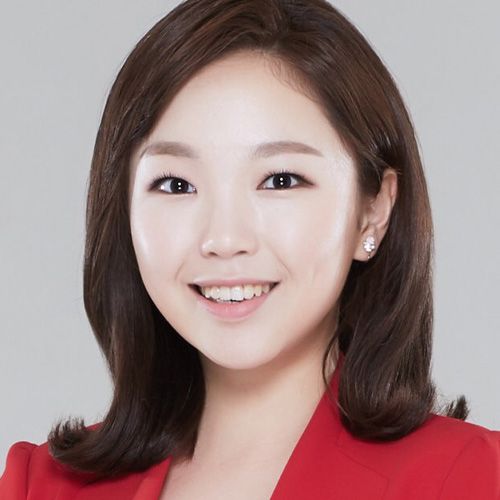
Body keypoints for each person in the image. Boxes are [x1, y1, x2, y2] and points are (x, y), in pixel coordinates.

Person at [1, 0, 499, 498]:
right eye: (176, 185)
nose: (224, 239)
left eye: (280, 180)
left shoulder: (467, 478)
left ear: (373, 211)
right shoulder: (37, 486)